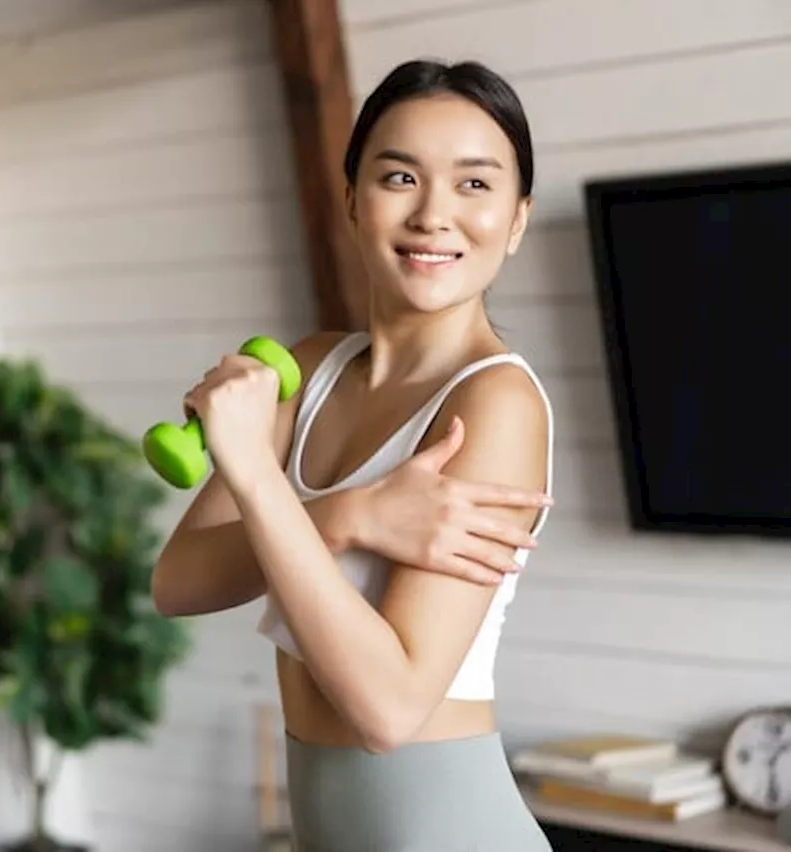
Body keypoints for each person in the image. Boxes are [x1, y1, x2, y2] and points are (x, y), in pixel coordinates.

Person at [152, 59, 555, 850]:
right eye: (400, 176)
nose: (434, 214)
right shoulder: (310, 368)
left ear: (516, 220)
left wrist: (255, 471)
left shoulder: (493, 403)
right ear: (352, 200)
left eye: (475, 184)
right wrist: (348, 515)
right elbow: (178, 582)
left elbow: (387, 709)